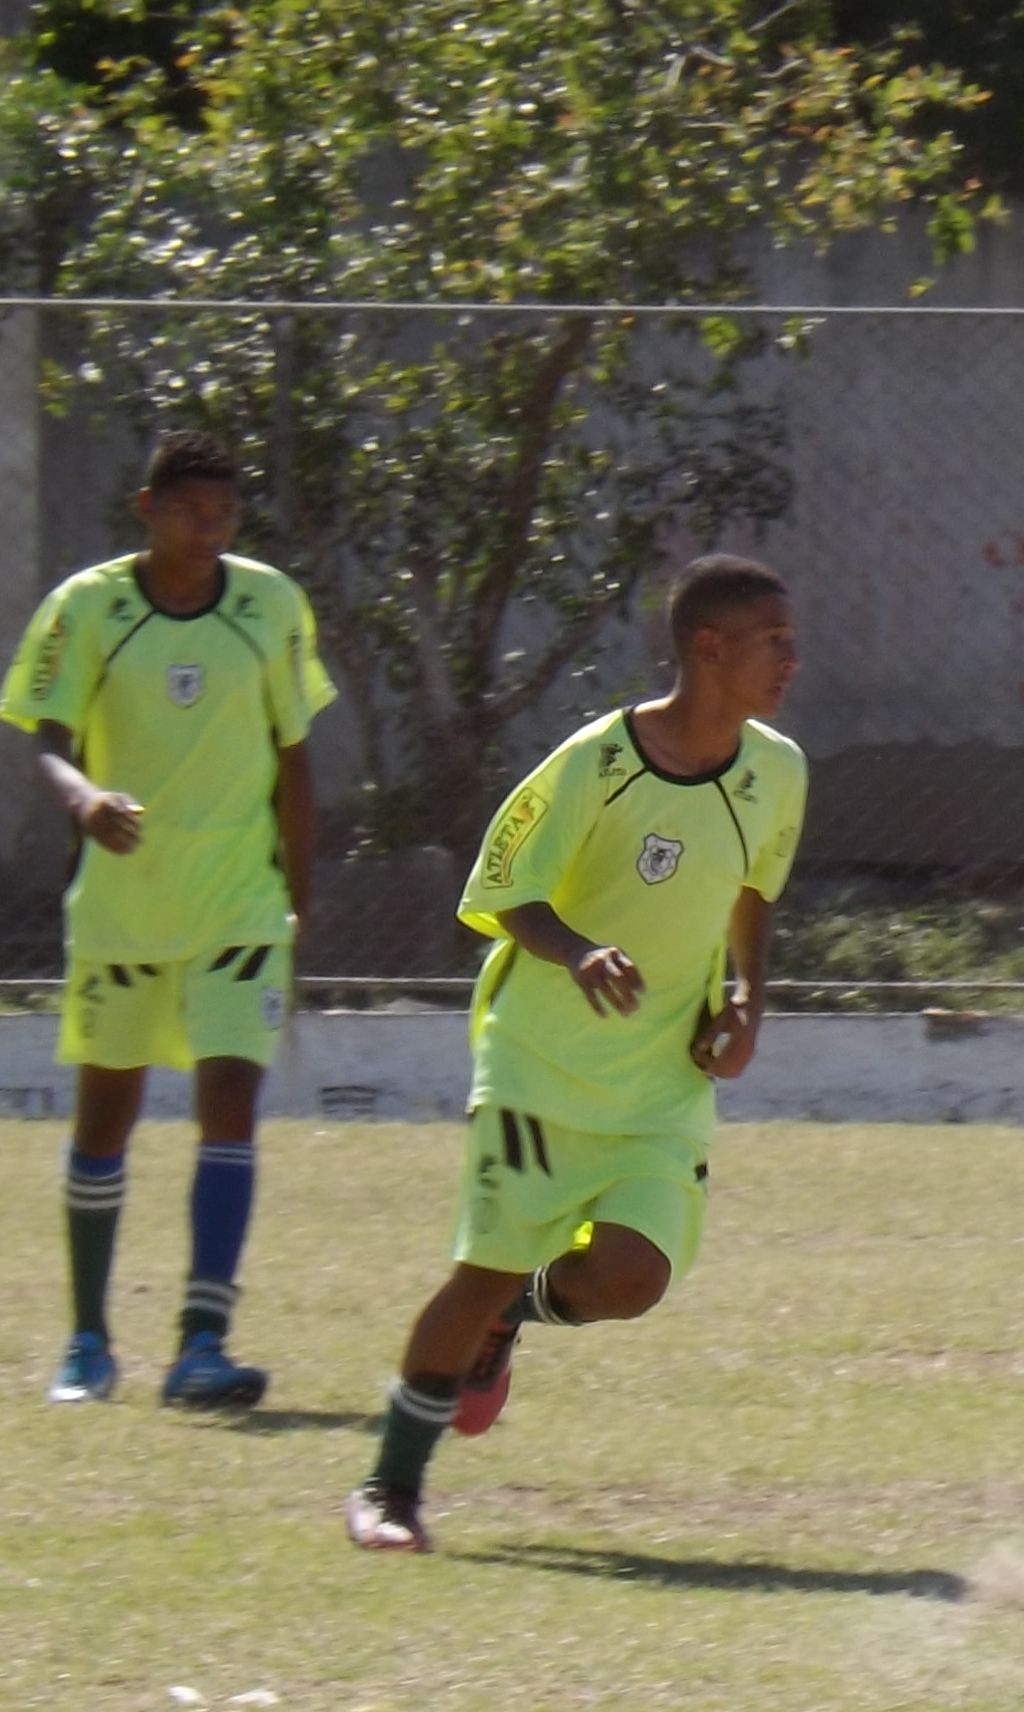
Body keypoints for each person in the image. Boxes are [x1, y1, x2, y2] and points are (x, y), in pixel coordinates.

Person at [345, 555, 810, 1552]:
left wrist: (745, 1000)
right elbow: (502, 888)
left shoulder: (778, 769)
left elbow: (753, 893)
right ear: (708, 647)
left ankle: (518, 1308)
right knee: (474, 1277)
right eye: (773, 639)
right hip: (538, 1068)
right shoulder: (595, 762)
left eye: (791, 639)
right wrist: (578, 948)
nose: (791, 658)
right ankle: (389, 1490)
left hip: (660, 1081)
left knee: (631, 1279)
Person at [7, 430, 333, 1409]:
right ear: (148, 509)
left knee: (230, 1102)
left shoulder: (269, 604)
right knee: (106, 1114)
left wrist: (296, 907)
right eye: (192, 508)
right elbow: (46, 740)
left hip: (237, 906)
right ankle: (87, 1343)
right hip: (123, 911)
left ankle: (201, 1343)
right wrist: (83, 799)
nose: (210, 525)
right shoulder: (87, 606)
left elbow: (295, 759)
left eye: (225, 512)